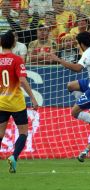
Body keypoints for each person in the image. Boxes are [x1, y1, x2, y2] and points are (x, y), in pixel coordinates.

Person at [0, 30, 38, 173]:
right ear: (14, 43)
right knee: (23, 133)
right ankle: (14, 157)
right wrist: (33, 98)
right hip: (16, 103)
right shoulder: (17, 60)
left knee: (0, 134)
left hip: (1, 102)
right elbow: (22, 80)